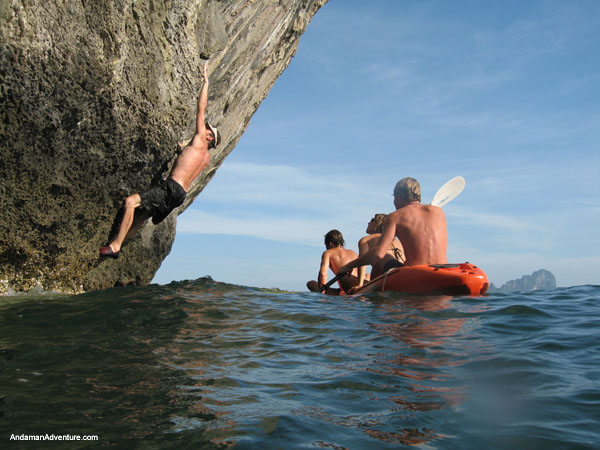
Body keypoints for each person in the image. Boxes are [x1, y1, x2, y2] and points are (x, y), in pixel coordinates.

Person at [100, 62, 220, 258]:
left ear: (209, 138)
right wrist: (181, 151)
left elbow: (201, 107)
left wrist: (206, 81)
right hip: (179, 195)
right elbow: (187, 165)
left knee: (130, 202)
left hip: (170, 188)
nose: (204, 128)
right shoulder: (205, 158)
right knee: (140, 217)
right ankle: (119, 244)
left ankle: (114, 246)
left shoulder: (199, 140)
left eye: (207, 130)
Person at [338, 177, 447, 282]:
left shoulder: (395, 216)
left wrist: (349, 266)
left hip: (415, 272)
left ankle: (371, 292)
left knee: (381, 258)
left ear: (400, 195)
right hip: (443, 269)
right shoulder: (438, 212)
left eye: (394, 197)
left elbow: (378, 254)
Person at [306, 230, 361, 295]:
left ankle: (339, 292)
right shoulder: (352, 252)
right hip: (359, 284)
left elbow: (323, 274)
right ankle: (340, 291)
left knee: (311, 284)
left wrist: (322, 293)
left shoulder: (328, 253)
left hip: (348, 286)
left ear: (330, 243)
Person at [356, 213, 405, 286]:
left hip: (389, 273)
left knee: (376, 264)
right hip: (403, 271)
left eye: (372, 220)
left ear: (377, 224)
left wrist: (360, 284)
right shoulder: (397, 241)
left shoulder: (365, 240)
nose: (368, 223)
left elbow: (362, 262)